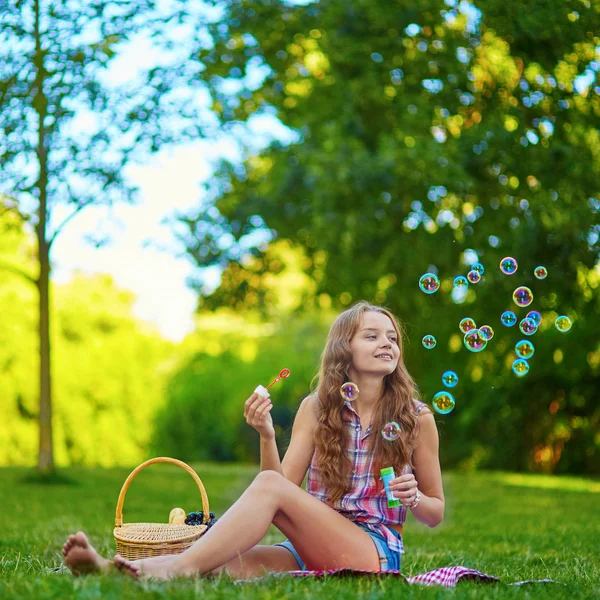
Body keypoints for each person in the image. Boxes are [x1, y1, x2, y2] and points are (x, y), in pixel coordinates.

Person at [62, 301, 444, 580]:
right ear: (345, 348)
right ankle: (113, 570)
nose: (387, 343)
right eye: (372, 335)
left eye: (392, 337)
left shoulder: (416, 417)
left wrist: (414, 498)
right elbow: (280, 490)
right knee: (218, 567)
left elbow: (435, 512)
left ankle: (169, 569)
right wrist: (266, 435)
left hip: (371, 552)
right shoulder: (319, 409)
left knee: (200, 559)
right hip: (307, 547)